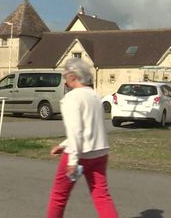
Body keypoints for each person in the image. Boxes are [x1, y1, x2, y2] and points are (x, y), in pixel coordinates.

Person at [46, 58, 118, 218]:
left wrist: (72, 159)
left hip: (79, 154)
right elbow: (89, 125)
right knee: (101, 196)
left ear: (72, 76)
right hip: (99, 152)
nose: (65, 80)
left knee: (59, 196)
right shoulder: (95, 96)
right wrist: (63, 144)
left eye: (65, 76)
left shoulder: (71, 99)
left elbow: (76, 130)